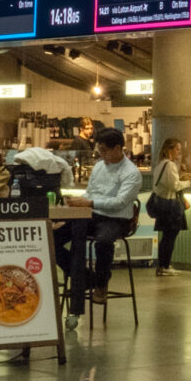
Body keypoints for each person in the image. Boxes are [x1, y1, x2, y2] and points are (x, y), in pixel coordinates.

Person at [83, 128, 142, 298]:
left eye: (104, 151)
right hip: (93, 214)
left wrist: (90, 202)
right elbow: (90, 192)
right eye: (99, 150)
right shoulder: (99, 166)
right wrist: (79, 201)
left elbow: (120, 203)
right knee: (56, 236)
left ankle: (101, 283)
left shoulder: (131, 173)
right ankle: (86, 277)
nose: (101, 155)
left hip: (117, 219)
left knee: (103, 242)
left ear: (117, 149)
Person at [148, 138, 188, 275]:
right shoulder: (169, 165)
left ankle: (162, 266)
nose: (179, 152)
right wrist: (188, 182)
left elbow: (167, 182)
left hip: (162, 204)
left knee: (165, 236)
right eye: (177, 149)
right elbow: (175, 186)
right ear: (170, 149)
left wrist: (180, 175)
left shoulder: (160, 164)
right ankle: (165, 266)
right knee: (170, 236)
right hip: (170, 205)